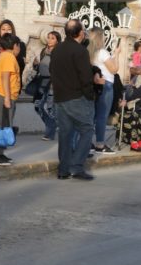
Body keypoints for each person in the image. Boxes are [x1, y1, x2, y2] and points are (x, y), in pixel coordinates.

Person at [49, 19, 96, 180]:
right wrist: (90, 96)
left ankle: (63, 170)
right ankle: (76, 166)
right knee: (87, 130)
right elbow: (86, 78)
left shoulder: (56, 49)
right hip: (76, 97)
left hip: (60, 97)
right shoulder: (80, 51)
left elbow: (52, 71)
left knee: (65, 134)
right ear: (80, 33)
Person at [0, 33, 21, 166]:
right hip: (3, 95)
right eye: (19, 46)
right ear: (15, 45)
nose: (19, 49)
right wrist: (7, 97)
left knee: (1, 124)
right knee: (3, 125)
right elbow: (5, 77)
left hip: (1, 94)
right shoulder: (9, 57)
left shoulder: (3, 56)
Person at [88, 28, 120, 154]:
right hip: (106, 85)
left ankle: (88, 142)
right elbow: (114, 69)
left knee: (93, 116)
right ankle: (100, 144)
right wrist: (117, 54)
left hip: (95, 85)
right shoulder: (102, 52)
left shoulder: (89, 52)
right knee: (102, 116)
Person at [32, 31, 61, 140]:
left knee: (50, 109)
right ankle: (52, 125)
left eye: (53, 38)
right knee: (37, 106)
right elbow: (40, 68)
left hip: (52, 83)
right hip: (41, 82)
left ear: (57, 40)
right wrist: (36, 65)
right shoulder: (44, 51)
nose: (49, 40)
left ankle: (51, 132)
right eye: (48, 37)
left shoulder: (59, 52)